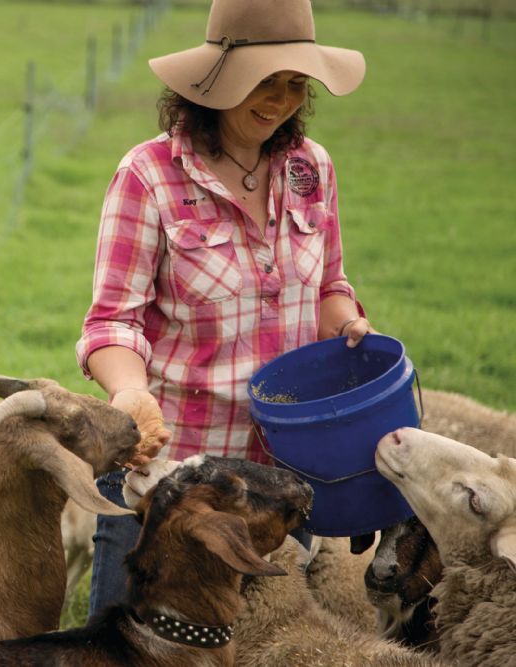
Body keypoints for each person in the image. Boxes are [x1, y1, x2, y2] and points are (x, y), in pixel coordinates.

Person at [75, 0, 376, 620]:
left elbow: (328, 284)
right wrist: (130, 394)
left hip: (278, 485)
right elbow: (113, 320)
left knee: (266, 647)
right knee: (137, 651)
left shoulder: (310, 168)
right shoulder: (149, 176)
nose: (280, 101)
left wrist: (347, 322)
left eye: (295, 84)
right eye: (263, 82)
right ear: (215, 80)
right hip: (169, 482)